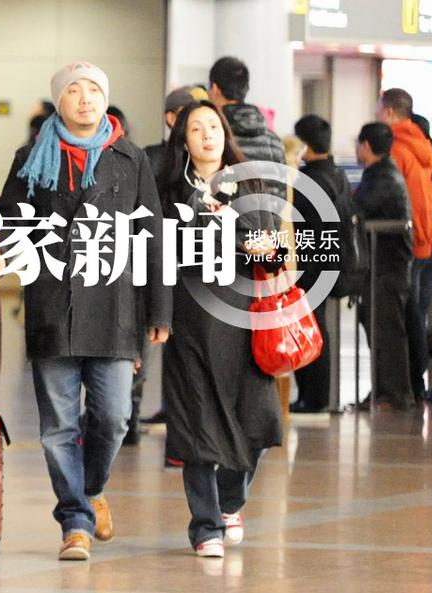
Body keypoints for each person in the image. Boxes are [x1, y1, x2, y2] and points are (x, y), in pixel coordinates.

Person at [0, 62, 171, 561]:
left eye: (94, 89)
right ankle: (75, 522)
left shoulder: (130, 158)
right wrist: (4, 252)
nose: (85, 98)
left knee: (113, 418)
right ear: (59, 101)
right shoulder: (32, 157)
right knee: (58, 429)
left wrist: (159, 309)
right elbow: (8, 220)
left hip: (115, 306)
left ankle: (90, 491)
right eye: (73, 90)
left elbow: (152, 236)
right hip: (53, 303)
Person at [157, 100, 282, 557]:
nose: (207, 135)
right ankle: (205, 526)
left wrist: (247, 233)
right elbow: (159, 253)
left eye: (213, 126)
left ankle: (230, 501)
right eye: (196, 128)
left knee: (256, 421)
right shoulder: (169, 191)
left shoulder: (250, 183)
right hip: (189, 321)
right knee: (197, 425)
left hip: (245, 320)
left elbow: (271, 250)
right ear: (183, 140)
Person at [137, 85, 209, 431]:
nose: (200, 126)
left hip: (200, 272)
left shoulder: (215, 164)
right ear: (171, 118)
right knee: (149, 346)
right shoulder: (152, 158)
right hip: (161, 267)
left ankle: (185, 420)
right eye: (188, 116)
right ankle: (132, 419)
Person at [376, 88, 432, 402]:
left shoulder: (396, 149)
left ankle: (405, 385)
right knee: (414, 314)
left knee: (401, 317)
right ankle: (416, 383)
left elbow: (390, 198)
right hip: (424, 237)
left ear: (389, 112)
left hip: (404, 240)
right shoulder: (421, 144)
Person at [289, 114, 350, 414]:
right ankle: (316, 395)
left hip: (309, 264)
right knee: (317, 325)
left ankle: (313, 397)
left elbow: (298, 221)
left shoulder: (306, 180)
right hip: (329, 260)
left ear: (305, 144)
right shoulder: (337, 175)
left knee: (309, 327)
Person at [353, 123, 414, 411]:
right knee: (378, 328)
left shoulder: (383, 179)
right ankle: (383, 391)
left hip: (388, 267)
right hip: (383, 266)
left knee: (387, 331)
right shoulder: (380, 174)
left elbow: (357, 211)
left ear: (366, 145)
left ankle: (394, 394)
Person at [208, 57, 286, 199]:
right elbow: (281, 193)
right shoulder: (274, 140)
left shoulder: (213, 137)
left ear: (214, 88)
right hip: (269, 213)